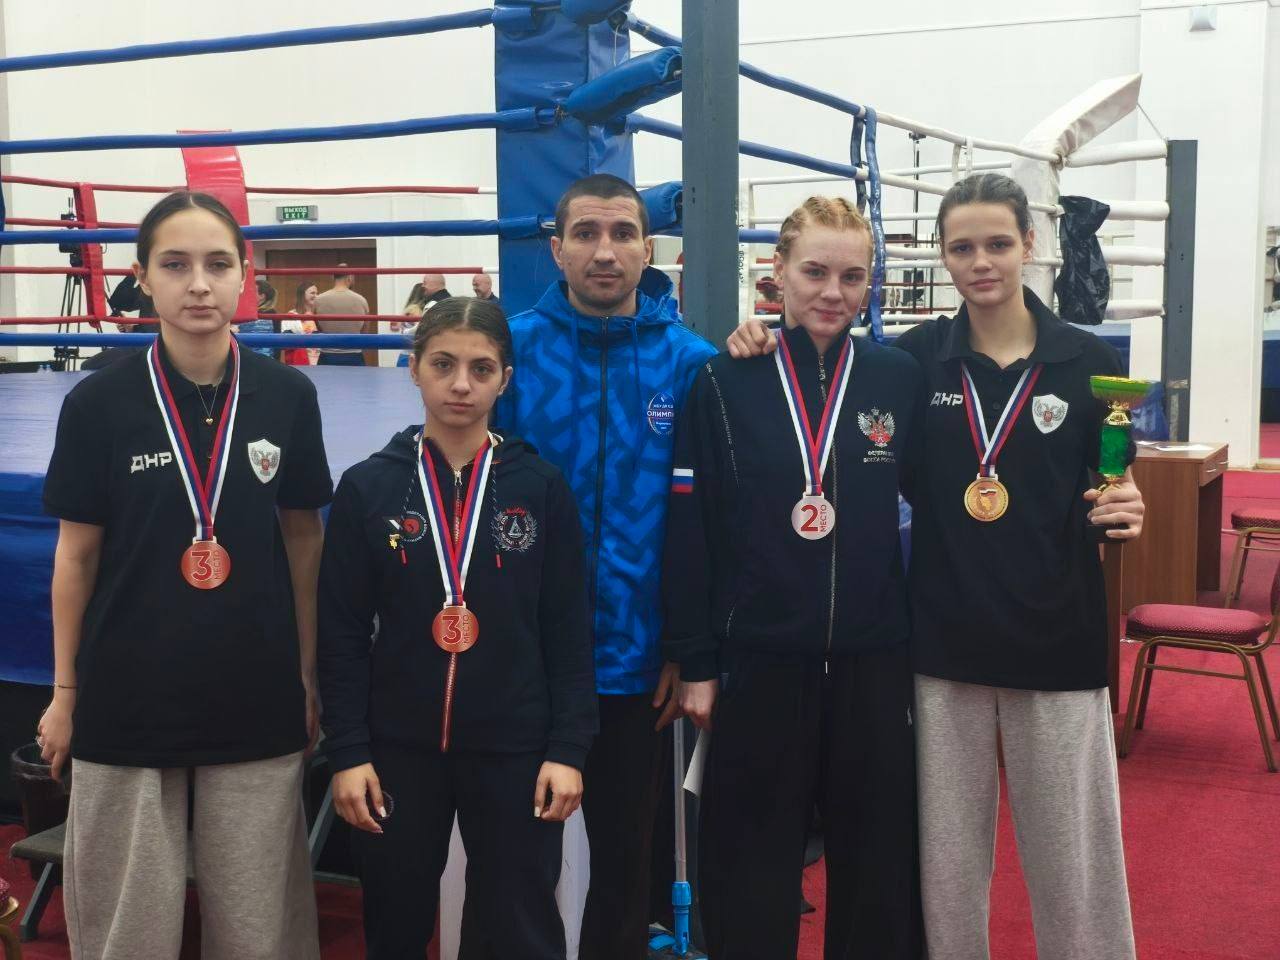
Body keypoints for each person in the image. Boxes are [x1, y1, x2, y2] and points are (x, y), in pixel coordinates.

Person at [727, 173, 1145, 960]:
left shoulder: (1086, 361)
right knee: (946, 875)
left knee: (1076, 868)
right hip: (940, 646)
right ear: (942, 256)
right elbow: (821, 393)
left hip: (1056, 641)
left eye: (998, 244)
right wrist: (757, 336)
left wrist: (1130, 502)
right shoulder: (913, 363)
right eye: (962, 248)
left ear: (1029, 244)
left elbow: (1112, 480)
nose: (981, 262)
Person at [36, 190, 331, 960]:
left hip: (255, 686)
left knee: (260, 931)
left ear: (245, 276)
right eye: (175, 265)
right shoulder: (98, 403)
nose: (198, 284)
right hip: (126, 691)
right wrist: (65, 693)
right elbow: (75, 556)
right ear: (142, 278)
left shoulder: (288, 396)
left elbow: (304, 540)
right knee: (127, 932)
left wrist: (305, 674)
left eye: (217, 264)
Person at [664, 197, 924, 958]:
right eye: (814, 272)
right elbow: (693, 528)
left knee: (877, 864)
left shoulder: (898, 377)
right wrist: (697, 660)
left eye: (853, 276)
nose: (833, 292)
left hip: (873, 662)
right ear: (776, 271)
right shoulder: (723, 380)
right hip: (760, 659)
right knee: (750, 862)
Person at [318, 297, 598, 959]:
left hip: (516, 748)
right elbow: (341, 633)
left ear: (506, 379)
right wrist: (349, 751)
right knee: (395, 923)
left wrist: (568, 749)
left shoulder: (540, 488)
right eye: (443, 365)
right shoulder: (367, 489)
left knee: (519, 927)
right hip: (396, 750)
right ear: (414, 368)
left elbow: (567, 628)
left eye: (481, 368)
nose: (462, 385)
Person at [489, 173, 716, 959]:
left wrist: (687, 645)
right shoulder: (508, 352)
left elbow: (709, 522)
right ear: (556, 249)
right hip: (525, 662)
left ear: (649, 249)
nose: (605, 251)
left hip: (638, 664)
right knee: (518, 865)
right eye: (586, 233)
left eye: (623, 233)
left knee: (624, 865)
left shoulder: (692, 364)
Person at [315, 265, 370, 366]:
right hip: (354, 355)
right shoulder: (361, 300)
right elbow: (365, 331)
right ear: (349, 278)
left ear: (333, 277)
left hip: (327, 355)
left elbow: (318, 327)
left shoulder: (319, 300)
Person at [392, 273, 450, 368]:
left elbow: (421, 328)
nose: (423, 286)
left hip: (424, 350)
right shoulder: (450, 301)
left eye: (425, 283)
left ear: (433, 284)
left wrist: (405, 332)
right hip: (443, 349)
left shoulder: (432, 304)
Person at [280, 280, 319, 366]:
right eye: (312, 293)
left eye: (317, 293)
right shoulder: (291, 316)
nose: (316, 296)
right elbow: (286, 343)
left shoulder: (319, 315)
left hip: (319, 361)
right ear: (302, 294)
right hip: (299, 362)